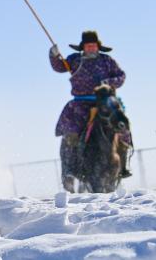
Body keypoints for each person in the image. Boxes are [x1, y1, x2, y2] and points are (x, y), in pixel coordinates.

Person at [50, 30, 131, 191]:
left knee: (122, 127)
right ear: (83, 47)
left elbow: (121, 76)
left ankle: (122, 166)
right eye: (88, 46)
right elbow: (59, 67)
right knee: (70, 133)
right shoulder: (75, 60)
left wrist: (107, 82)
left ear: (98, 46)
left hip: (105, 101)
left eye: (94, 45)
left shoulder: (107, 61)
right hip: (80, 104)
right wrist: (54, 56)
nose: (91, 48)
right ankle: (69, 171)